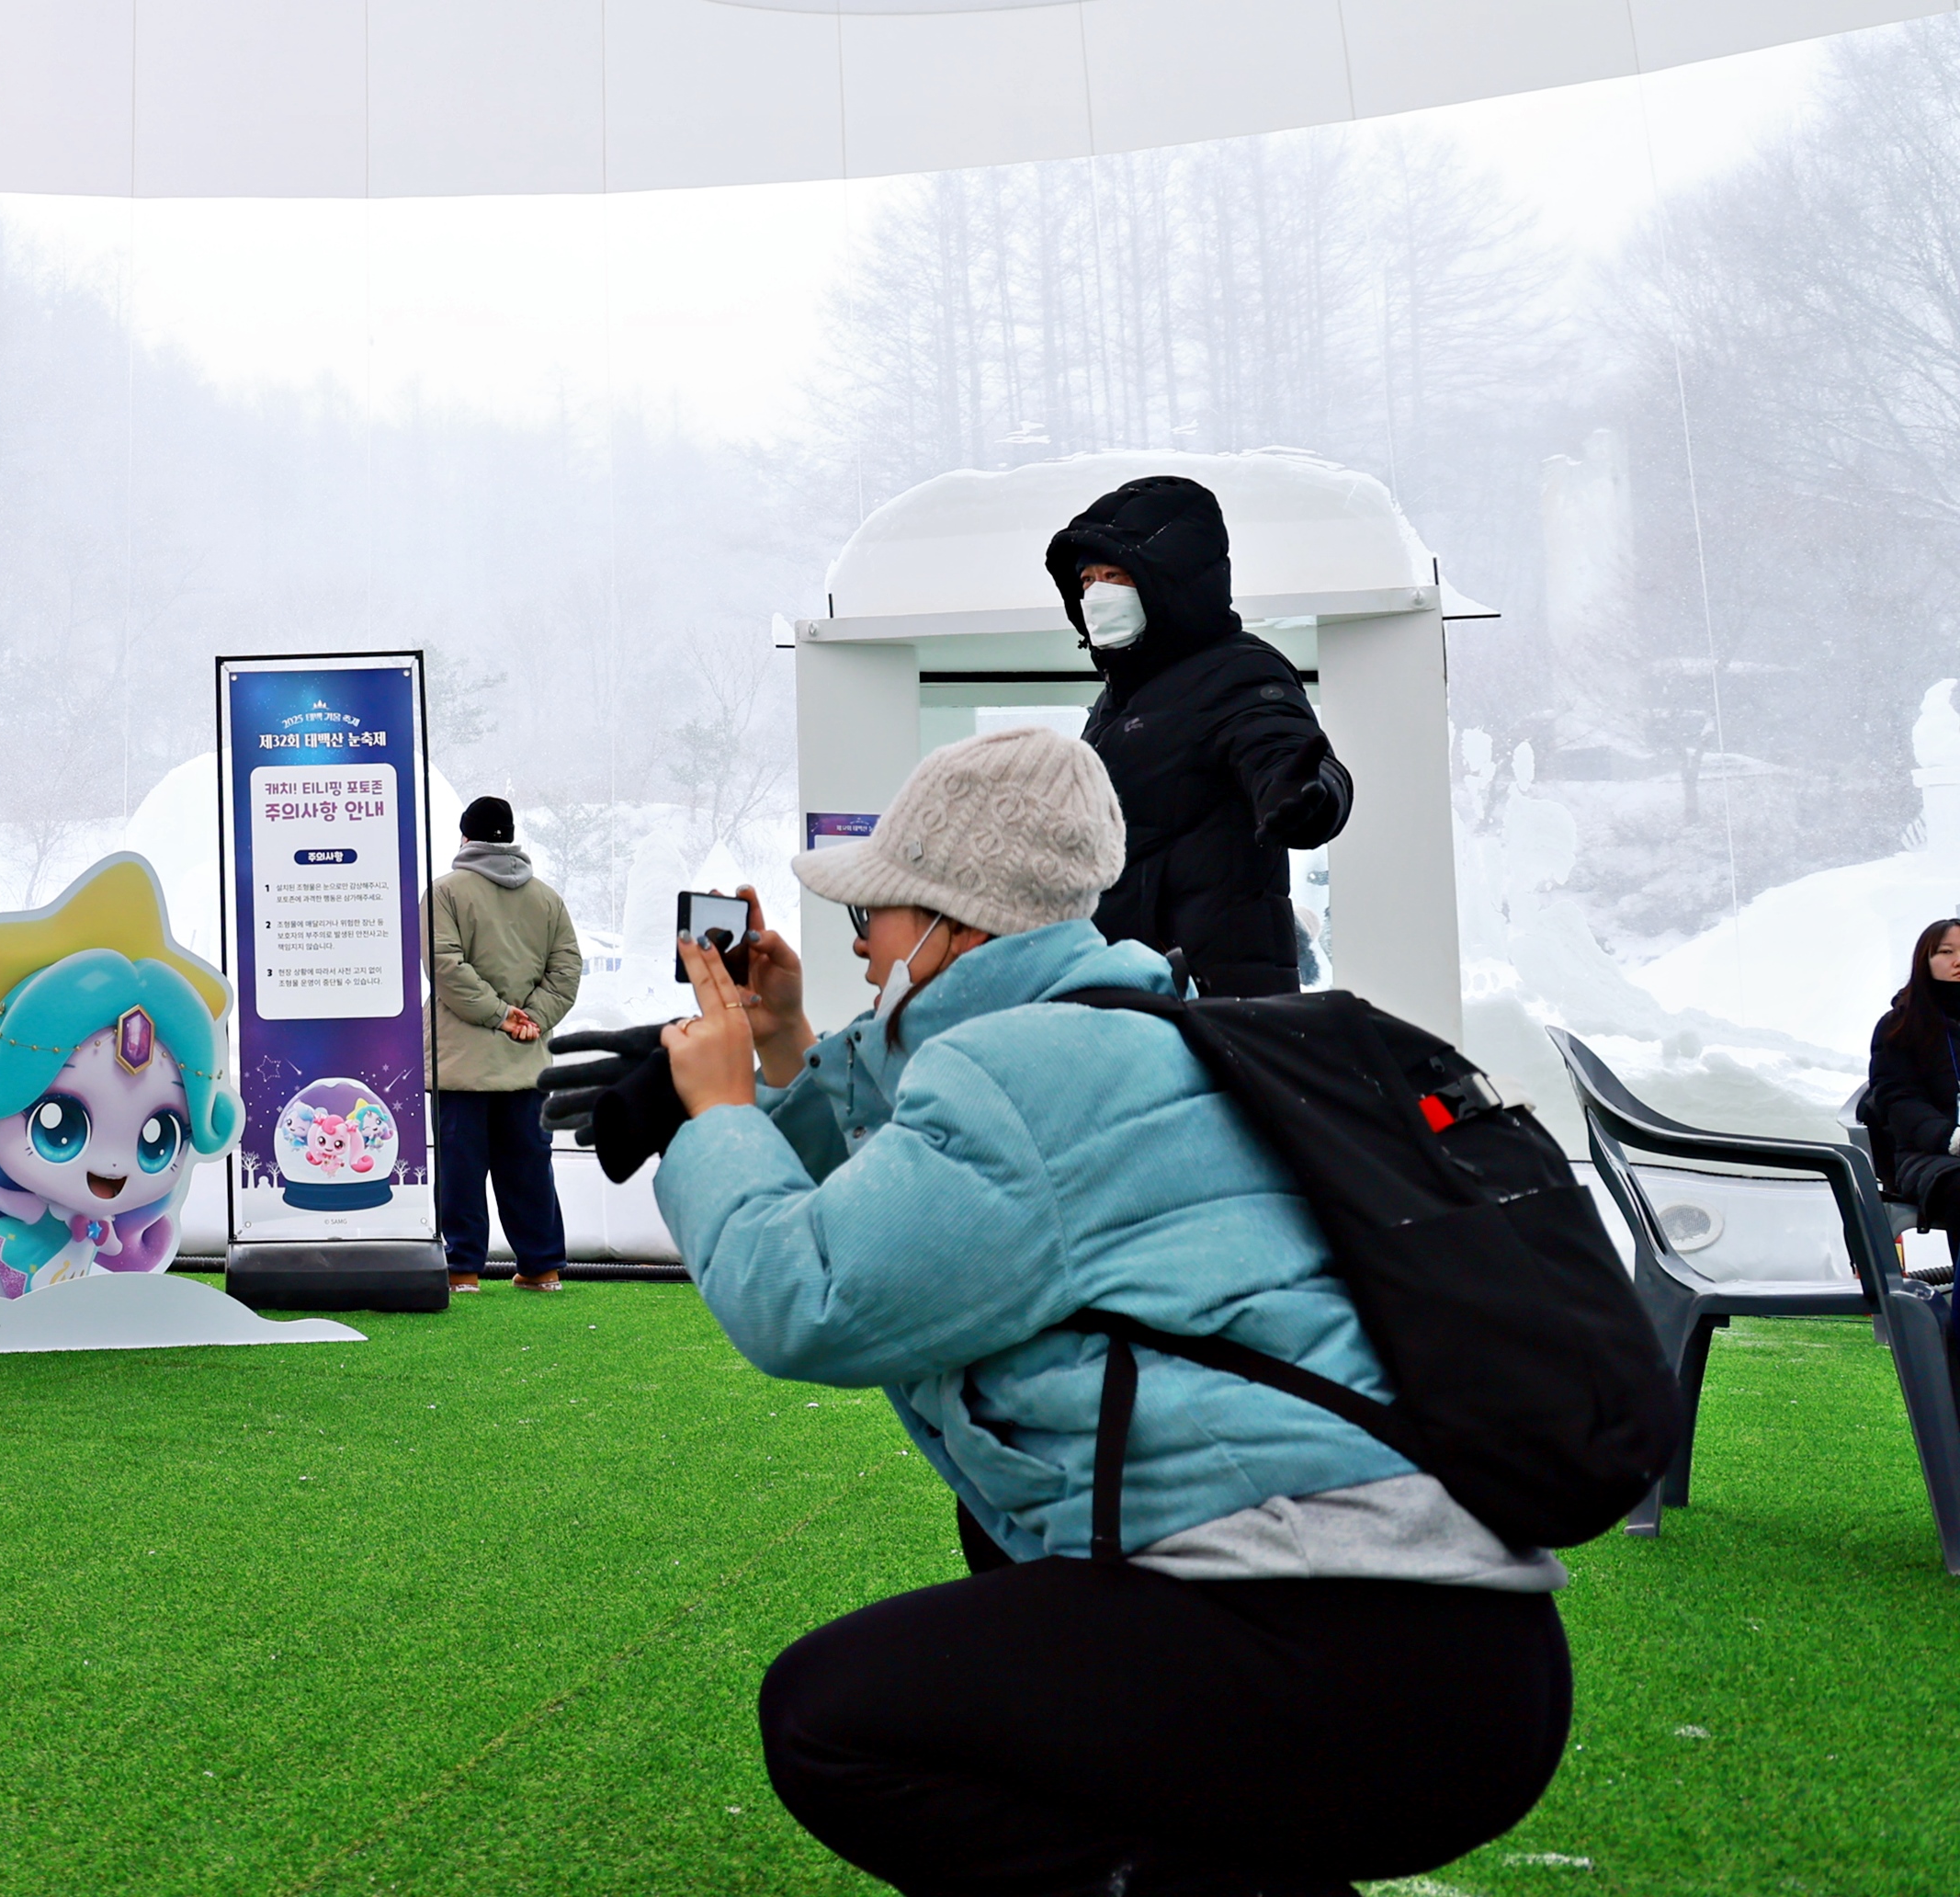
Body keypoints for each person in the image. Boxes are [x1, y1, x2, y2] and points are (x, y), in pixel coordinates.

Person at [654, 727, 1571, 1897]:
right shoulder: (1135, 1026)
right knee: (998, 1534)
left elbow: (809, 1296)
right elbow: (916, 1177)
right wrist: (789, 1043)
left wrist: (725, 1113)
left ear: (956, 926)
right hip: (1455, 1648)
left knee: (827, 1719)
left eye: (870, 911)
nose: (858, 941)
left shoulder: (1022, 1080)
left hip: (1349, 1656)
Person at [1047, 474, 1354, 996]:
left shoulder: (1240, 671)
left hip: (1214, 992)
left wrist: (1304, 794)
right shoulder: (1118, 698)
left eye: (1115, 576)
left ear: (1170, 580)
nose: (1097, 594)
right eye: (1087, 581)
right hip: (1132, 984)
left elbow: (1285, 750)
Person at [427, 796, 583, 1295]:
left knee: (461, 1169)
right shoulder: (547, 898)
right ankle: (542, 1268)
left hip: (461, 1065)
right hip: (526, 1061)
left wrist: (499, 1014)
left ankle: (463, 1270)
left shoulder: (445, 893)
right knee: (529, 1166)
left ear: (465, 837)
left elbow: (446, 967)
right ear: (511, 837)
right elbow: (566, 970)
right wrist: (530, 1019)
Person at [1862, 918, 1960, 1241]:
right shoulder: (1899, 1026)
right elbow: (1897, 1098)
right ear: (1924, 961)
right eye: (1946, 952)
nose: (1958, 960)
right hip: (1929, 1156)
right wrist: (1950, 1137)